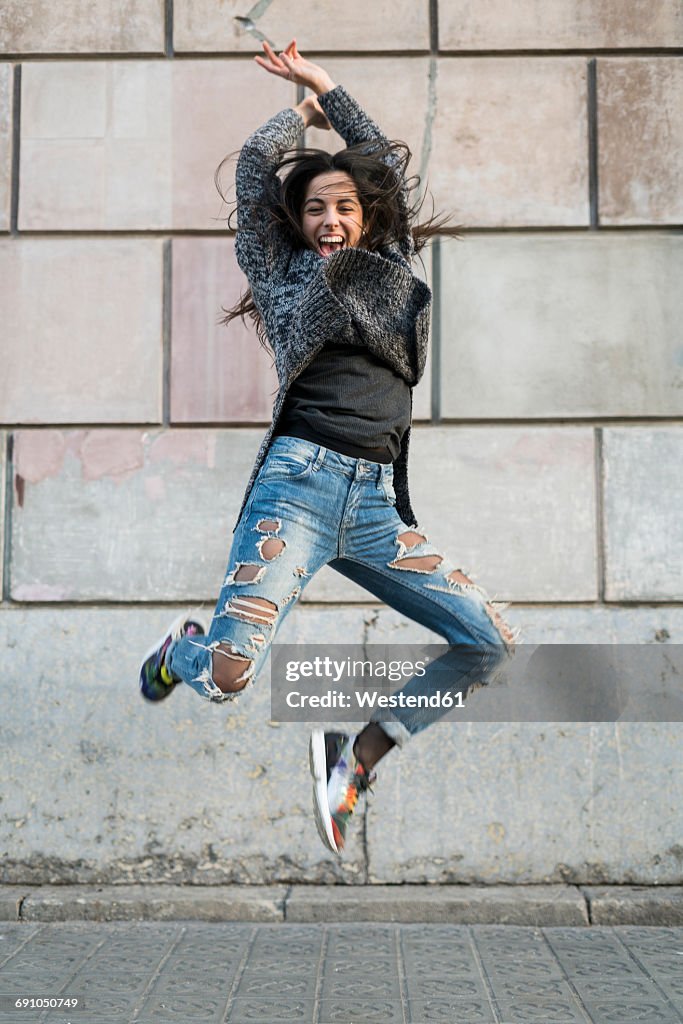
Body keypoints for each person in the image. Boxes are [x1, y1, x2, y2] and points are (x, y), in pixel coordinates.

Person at [139, 39, 518, 856]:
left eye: (343, 206)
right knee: (231, 682)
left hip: (376, 507)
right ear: (297, 223)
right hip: (298, 493)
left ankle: (356, 759)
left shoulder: (387, 263)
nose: (330, 218)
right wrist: (295, 116)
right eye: (314, 208)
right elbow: (251, 171)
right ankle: (185, 652)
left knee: (486, 640)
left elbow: (379, 162)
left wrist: (328, 86)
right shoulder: (280, 276)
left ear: (367, 216)